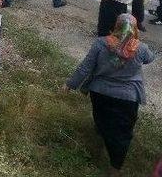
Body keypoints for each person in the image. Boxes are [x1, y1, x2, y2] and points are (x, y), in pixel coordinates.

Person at [65, 14, 154, 174]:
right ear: (134, 30)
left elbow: (85, 67)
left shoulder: (101, 43)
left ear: (115, 26)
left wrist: (70, 84)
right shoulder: (140, 48)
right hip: (128, 98)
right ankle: (115, 169)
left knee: (101, 121)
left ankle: (100, 141)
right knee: (122, 133)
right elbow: (150, 59)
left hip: (100, 93)